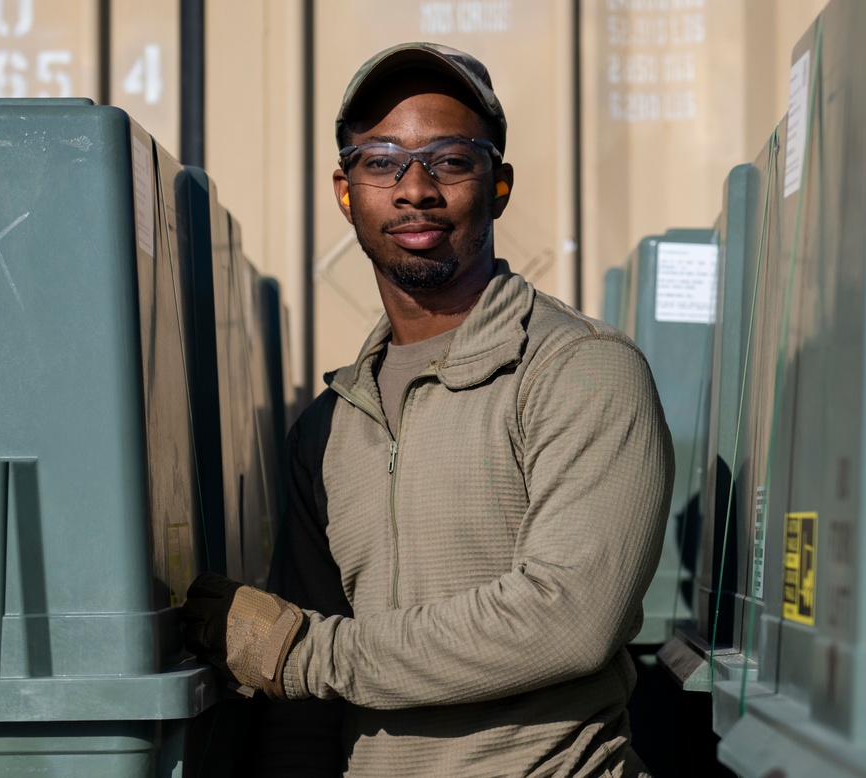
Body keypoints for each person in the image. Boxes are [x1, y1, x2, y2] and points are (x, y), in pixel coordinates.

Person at [182, 42, 675, 777]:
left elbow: (567, 621)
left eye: (450, 160)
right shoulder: (327, 426)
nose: (415, 189)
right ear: (346, 191)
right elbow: (302, 714)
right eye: (381, 161)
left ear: (498, 186)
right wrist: (300, 668)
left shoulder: (581, 372)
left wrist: (303, 653)